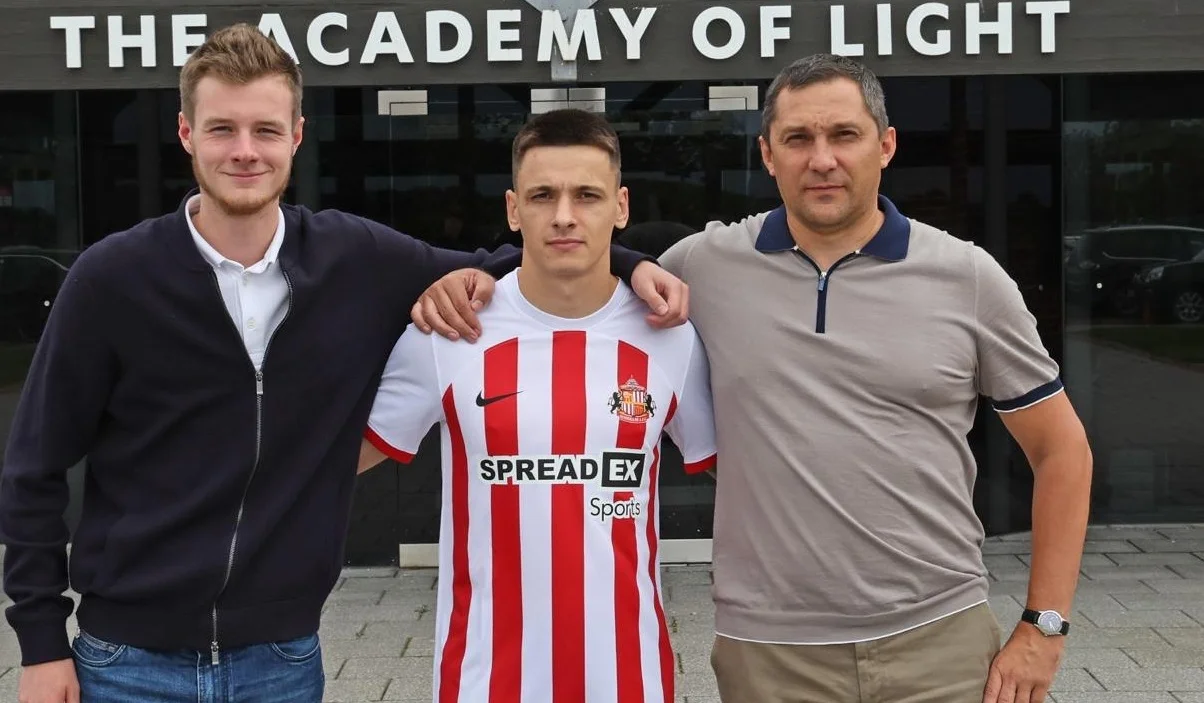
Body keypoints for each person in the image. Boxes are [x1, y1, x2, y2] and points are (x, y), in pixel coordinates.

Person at [0, 24, 688, 703]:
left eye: (266, 130)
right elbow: (33, 466)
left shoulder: (354, 259)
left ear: (297, 135)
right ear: (186, 133)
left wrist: (631, 264)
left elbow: (526, 259)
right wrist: (41, 644)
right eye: (222, 130)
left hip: (280, 659)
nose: (245, 151)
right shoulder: (112, 279)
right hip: (126, 662)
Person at [414, 54, 1093, 703]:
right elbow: (577, 257)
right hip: (769, 651)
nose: (821, 158)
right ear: (768, 154)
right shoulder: (703, 266)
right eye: (797, 138)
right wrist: (481, 272)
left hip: (937, 638)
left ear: (886, 145)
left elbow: (1061, 450)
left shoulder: (968, 277)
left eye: (844, 135)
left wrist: (1045, 626)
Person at [358, 108, 717, 702]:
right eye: (543, 195)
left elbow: (739, 476)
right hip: (485, 683)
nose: (564, 215)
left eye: (587, 195)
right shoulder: (449, 332)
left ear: (621, 207)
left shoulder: (671, 338)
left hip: (628, 680)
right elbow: (340, 462)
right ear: (513, 209)